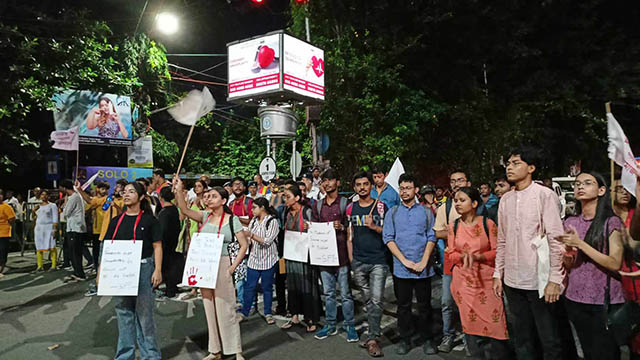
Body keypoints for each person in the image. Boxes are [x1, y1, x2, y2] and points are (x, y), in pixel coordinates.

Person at [492, 147, 565, 360]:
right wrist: (499, 272)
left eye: (516, 163)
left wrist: (554, 279)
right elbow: (502, 240)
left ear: (531, 168)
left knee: (549, 338)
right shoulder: (505, 200)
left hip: (539, 280)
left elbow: (555, 239)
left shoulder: (544, 195)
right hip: (512, 281)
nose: (510, 167)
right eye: (508, 163)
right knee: (522, 337)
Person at [174, 177, 248, 360]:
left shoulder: (232, 220)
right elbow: (183, 209)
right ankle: (215, 350)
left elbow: (244, 245)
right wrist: (179, 190)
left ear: (223, 201)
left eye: (213, 196)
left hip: (222, 264)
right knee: (209, 308)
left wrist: (232, 267)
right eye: (207, 196)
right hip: (203, 265)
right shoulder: (204, 217)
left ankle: (236, 350)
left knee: (227, 308)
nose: (208, 199)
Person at [556, 172, 625, 360]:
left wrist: (580, 244)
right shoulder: (570, 222)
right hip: (575, 297)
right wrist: (566, 252)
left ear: (601, 190)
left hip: (604, 301)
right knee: (587, 351)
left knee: (606, 352)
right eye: (578, 183)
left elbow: (614, 262)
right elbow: (569, 264)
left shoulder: (611, 222)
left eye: (587, 183)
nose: (580, 187)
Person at [446, 187, 509, 359]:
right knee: (470, 327)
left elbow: (498, 251)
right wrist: (463, 256)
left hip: (487, 282)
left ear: (474, 203)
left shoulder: (488, 224)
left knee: (496, 324)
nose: (457, 204)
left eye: (462, 200)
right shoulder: (453, 226)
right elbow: (450, 254)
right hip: (463, 282)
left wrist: (479, 256)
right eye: (456, 201)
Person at [102, 182, 162, 360]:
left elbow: (157, 246)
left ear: (141, 197)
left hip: (144, 268)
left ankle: (150, 355)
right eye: (124, 192)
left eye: (131, 192)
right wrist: (101, 274)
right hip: (119, 270)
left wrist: (157, 270)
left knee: (144, 315)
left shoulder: (149, 220)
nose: (126, 194)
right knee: (123, 313)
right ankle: (124, 355)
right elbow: (106, 248)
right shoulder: (115, 222)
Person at [382, 173, 438, 355]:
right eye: (401, 188)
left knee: (424, 306)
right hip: (401, 269)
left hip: (424, 268)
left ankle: (427, 339)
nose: (404, 192)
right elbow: (388, 238)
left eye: (407, 188)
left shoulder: (426, 212)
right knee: (403, 306)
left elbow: (432, 236)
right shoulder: (393, 212)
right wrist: (403, 260)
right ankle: (405, 339)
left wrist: (423, 261)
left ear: (416, 190)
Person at [311, 169, 358, 342]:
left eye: (331, 180)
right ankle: (330, 324)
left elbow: (351, 229)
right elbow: (314, 227)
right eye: (325, 180)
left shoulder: (345, 203)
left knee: (346, 294)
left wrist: (342, 227)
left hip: (342, 256)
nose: (327, 183)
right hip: (324, 257)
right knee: (329, 293)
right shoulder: (317, 205)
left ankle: (350, 325)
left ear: (338, 182)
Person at [347, 171, 389, 357]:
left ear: (371, 186)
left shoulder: (381, 207)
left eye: (365, 184)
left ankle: (373, 338)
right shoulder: (350, 208)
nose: (362, 187)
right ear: (354, 187)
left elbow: (388, 233)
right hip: (358, 261)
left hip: (378, 261)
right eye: (358, 184)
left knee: (377, 300)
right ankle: (372, 333)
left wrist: (374, 227)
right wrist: (351, 260)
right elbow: (350, 236)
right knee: (368, 300)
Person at [433, 169, 471, 353]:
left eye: (460, 180)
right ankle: (448, 335)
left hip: (473, 263)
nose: (456, 184)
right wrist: (455, 230)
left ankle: (469, 336)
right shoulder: (445, 208)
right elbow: (438, 232)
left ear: (468, 183)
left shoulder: (477, 207)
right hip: (450, 262)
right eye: (453, 181)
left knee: (469, 302)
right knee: (447, 302)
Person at [280, 185, 323, 333]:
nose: (285, 199)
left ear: (297, 198)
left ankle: (311, 318)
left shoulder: (307, 211)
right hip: (291, 255)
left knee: (307, 285)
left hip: (305, 256)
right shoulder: (286, 213)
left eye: (288, 196)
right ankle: (294, 315)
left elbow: (317, 231)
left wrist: (309, 227)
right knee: (292, 286)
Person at [239, 197, 280, 324]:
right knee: (249, 287)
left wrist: (251, 235)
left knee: (267, 288)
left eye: (254, 207)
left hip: (268, 260)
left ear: (262, 208)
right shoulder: (253, 221)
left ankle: (268, 312)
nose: (252, 210)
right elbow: (250, 238)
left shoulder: (272, 221)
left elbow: (267, 241)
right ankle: (246, 311)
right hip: (254, 258)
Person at [228, 177, 253, 308]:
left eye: (240, 184)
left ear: (244, 187)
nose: (237, 187)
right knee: (239, 274)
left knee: (248, 275)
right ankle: (242, 302)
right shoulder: (230, 204)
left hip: (250, 242)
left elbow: (253, 221)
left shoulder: (249, 202)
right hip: (236, 244)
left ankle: (250, 302)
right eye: (235, 185)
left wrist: (237, 219)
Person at [76, 181, 110, 272]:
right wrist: (91, 208)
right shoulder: (94, 199)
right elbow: (87, 210)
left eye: (106, 189)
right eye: (102, 189)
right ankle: (95, 267)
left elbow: (90, 201)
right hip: (95, 229)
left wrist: (79, 190)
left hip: (105, 228)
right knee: (95, 250)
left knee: (103, 250)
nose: (104, 191)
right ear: (97, 189)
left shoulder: (108, 199)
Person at [157, 187, 183, 299]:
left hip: (165, 243)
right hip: (174, 239)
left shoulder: (164, 212)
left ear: (161, 197)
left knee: (167, 266)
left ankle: (170, 289)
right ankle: (172, 287)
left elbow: (162, 230)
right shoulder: (174, 210)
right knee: (172, 264)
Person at [61, 179, 87, 282]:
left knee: (75, 252)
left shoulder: (73, 198)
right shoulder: (76, 197)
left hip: (74, 228)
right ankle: (77, 272)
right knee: (74, 251)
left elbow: (66, 212)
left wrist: (65, 203)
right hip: (74, 227)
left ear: (64, 188)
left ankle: (79, 274)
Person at [33, 190, 59, 272]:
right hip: (39, 228)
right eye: (42, 195)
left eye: (45, 194)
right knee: (39, 246)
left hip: (49, 227)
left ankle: (54, 265)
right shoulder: (38, 206)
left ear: (48, 196)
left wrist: (55, 229)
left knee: (51, 245)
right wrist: (33, 211)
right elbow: (33, 217)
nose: (43, 196)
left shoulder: (52, 205)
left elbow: (55, 217)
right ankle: (40, 266)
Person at [0, 188, 16, 278]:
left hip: (4, 232)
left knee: (2, 251)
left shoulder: (6, 207)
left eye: (1, 194)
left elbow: (12, 218)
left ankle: (1, 269)